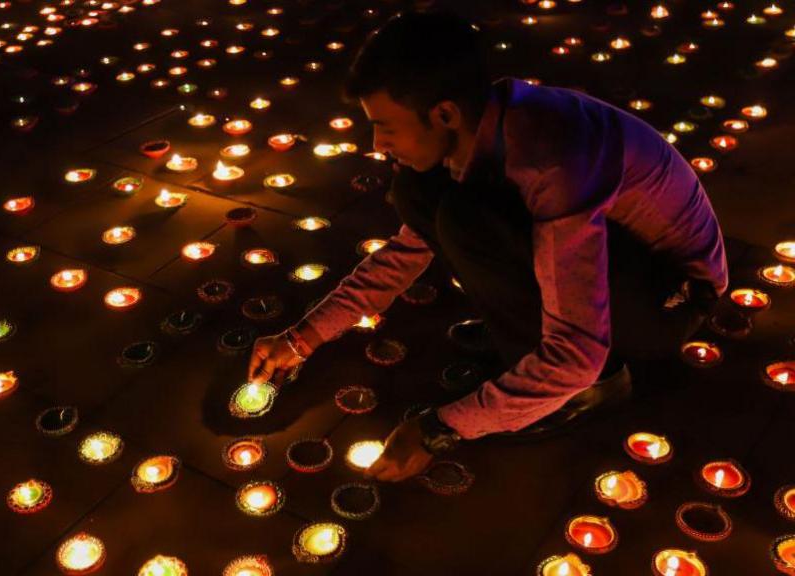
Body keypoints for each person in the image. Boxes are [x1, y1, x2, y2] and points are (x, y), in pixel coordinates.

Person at [247, 11, 728, 482]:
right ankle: (520, 336)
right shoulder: (480, 126)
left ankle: (592, 390)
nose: (377, 143)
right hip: (612, 264)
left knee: (467, 220)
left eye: (385, 126)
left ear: (444, 113)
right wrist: (302, 337)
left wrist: (439, 429)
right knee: (420, 193)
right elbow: (406, 252)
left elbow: (576, 353)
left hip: (670, 297)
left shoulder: (549, 159)